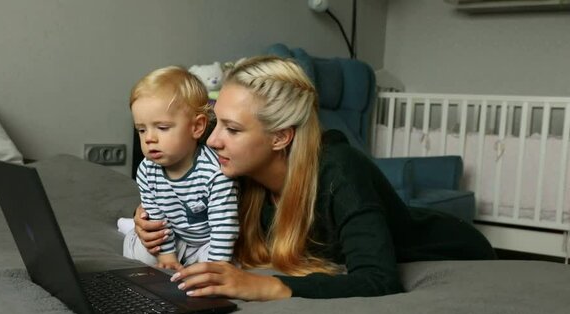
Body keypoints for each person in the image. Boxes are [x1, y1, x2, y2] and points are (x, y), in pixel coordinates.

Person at [132, 56, 496, 300]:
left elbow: (378, 279)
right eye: (215, 123)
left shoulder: (339, 173)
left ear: (280, 137)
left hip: (455, 248)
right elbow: (186, 190)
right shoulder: (232, 172)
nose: (212, 139)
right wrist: (148, 219)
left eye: (232, 129)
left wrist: (266, 287)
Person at [121, 66, 239, 270]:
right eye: (141, 129)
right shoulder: (147, 170)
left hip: (206, 240)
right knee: (145, 255)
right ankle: (132, 229)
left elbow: (224, 228)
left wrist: (217, 268)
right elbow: (157, 217)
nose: (149, 138)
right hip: (173, 235)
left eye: (163, 128)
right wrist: (167, 255)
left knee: (225, 263)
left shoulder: (215, 173)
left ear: (196, 127)